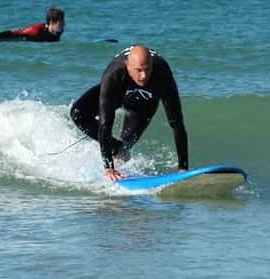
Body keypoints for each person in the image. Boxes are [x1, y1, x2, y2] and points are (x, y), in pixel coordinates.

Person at [70, 45, 188, 181]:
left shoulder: (162, 74)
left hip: (144, 102)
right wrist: (109, 168)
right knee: (78, 113)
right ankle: (115, 149)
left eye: (147, 69)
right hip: (118, 92)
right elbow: (105, 124)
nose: (143, 76)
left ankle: (120, 152)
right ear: (128, 66)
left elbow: (176, 123)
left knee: (126, 145)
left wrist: (183, 168)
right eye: (139, 70)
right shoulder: (113, 75)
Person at [0, 8, 65, 42]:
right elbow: (13, 33)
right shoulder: (35, 30)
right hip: (14, 40)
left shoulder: (58, 31)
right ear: (52, 22)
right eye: (61, 22)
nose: (64, 24)